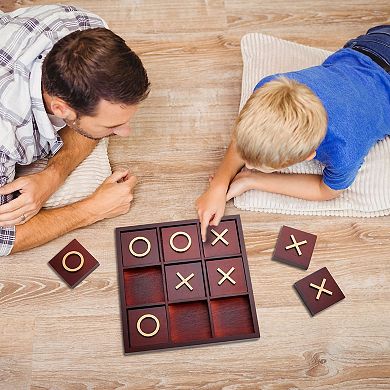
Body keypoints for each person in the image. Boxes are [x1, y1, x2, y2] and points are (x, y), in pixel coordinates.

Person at [196, 25, 390, 241]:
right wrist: (219, 184)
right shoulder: (267, 87)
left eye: (258, 166)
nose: (247, 165)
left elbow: (327, 191)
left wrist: (253, 180)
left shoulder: (344, 150)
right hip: (372, 44)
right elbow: (242, 138)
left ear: (309, 156)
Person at [0, 5, 150, 255]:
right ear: (61, 109)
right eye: (111, 126)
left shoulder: (85, 27)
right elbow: (3, 238)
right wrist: (93, 209)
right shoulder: (5, 136)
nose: (125, 132)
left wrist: (52, 176)